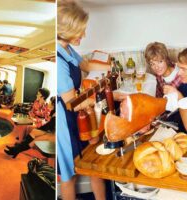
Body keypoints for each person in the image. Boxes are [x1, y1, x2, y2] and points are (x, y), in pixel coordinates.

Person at [57, 1, 107, 200]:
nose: (84, 35)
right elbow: (73, 102)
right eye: (80, 31)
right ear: (65, 30)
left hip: (80, 115)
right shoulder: (58, 60)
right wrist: (98, 97)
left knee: (94, 165)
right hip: (66, 122)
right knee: (69, 176)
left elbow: (86, 64)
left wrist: (110, 67)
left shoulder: (67, 49)